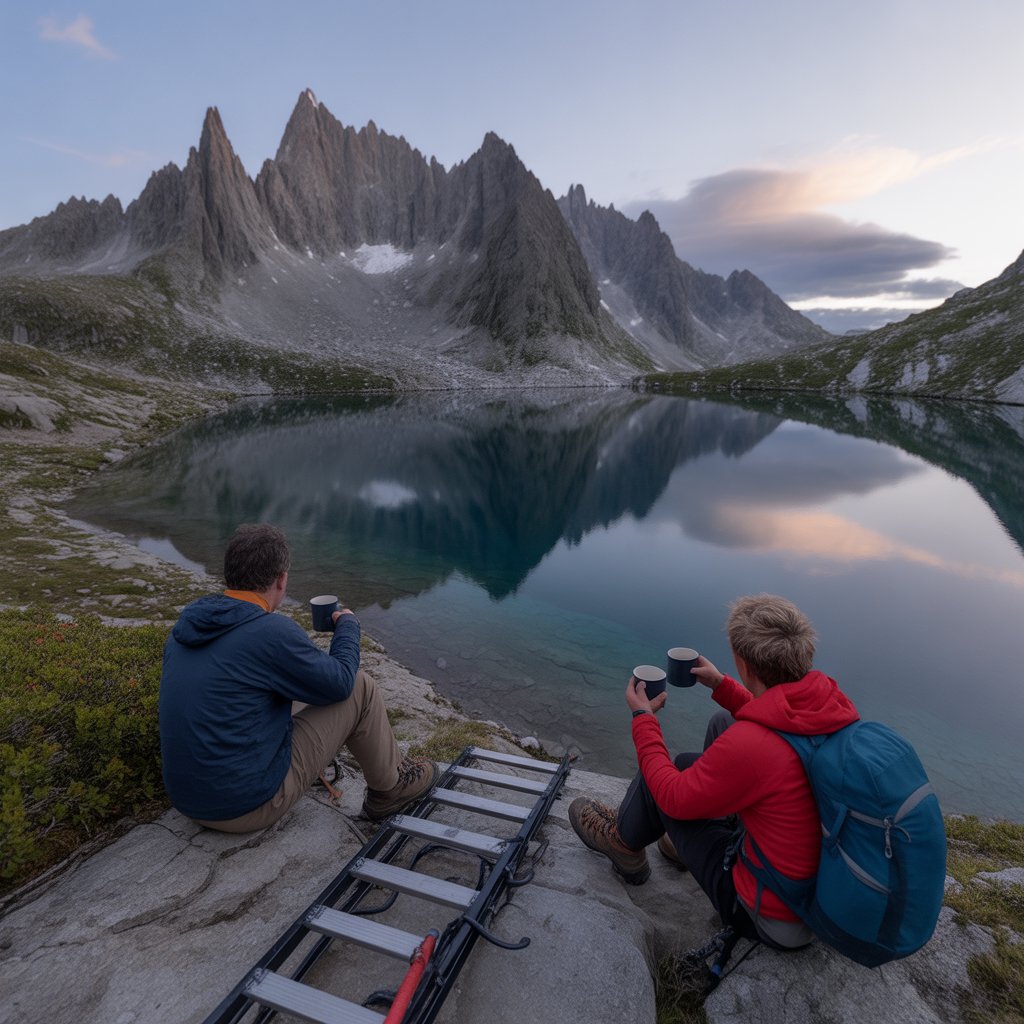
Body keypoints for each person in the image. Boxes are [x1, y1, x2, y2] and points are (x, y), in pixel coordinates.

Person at [569, 594, 860, 950]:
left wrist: (644, 720)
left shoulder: (754, 747)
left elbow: (672, 796)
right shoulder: (831, 702)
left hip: (769, 915)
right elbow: (782, 722)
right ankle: (678, 846)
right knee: (725, 720)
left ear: (745, 664)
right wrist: (722, 686)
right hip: (810, 888)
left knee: (666, 770)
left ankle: (623, 845)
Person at [159, 523, 438, 832]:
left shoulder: (190, 625)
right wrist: (348, 628)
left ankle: (386, 773)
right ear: (282, 580)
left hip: (188, 800)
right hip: (246, 807)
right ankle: (391, 791)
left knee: (296, 692)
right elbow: (341, 683)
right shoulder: (269, 632)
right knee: (361, 687)